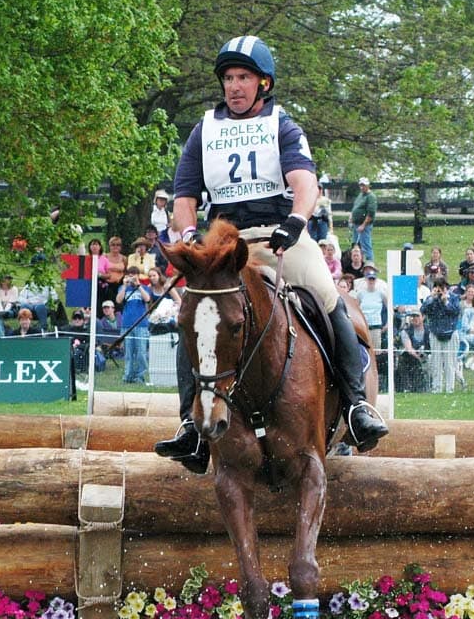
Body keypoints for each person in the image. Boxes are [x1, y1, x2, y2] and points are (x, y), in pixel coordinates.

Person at [154, 35, 387, 472]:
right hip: (226, 243)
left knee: (326, 294)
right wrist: (188, 233)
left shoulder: (282, 125)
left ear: (263, 83)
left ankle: (356, 407)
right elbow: (185, 194)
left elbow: (305, 183)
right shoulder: (204, 131)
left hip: (280, 235)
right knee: (197, 314)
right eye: (227, 78)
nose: (234, 86)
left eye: (243, 77)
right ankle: (191, 424)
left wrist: (297, 220)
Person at [420, 276, 460, 393]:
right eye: (437, 286)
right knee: (436, 362)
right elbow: (423, 310)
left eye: (441, 287)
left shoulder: (453, 297)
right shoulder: (431, 299)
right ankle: (436, 388)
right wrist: (432, 299)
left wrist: (445, 301)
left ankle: (450, 389)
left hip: (450, 333)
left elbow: (456, 311)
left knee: (449, 363)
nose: (439, 289)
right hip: (435, 332)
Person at [117, 266, 151, 383]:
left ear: (138, 275)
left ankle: (140, 376)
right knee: (128, 352)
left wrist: (138, 285)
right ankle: (128, 376)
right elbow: (118, 300)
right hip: (127, 324)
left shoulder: (145, 288)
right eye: (129, 274)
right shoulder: (124, 288)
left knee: (141, 352)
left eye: (134, 275)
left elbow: (147, 299)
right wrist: (125, 286)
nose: (132, 277)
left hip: (141, 324)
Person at [396, 309, 430, 392]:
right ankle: (407, 387)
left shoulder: (429, 330)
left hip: (429, 356)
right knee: (404, 358)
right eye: (412, 316)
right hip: (413, 356)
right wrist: (419, 358)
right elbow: (409, 348)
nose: (414, 318)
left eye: (417, 316)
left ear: (423, 317)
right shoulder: (405, 331)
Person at [353, 269, 387, 350]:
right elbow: (355, 310)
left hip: (376, 326)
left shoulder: (381, 293)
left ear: (376, 280)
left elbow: (390, 309)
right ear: (366, 280)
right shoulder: (360, 293)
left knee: (376, 350)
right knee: (364, 349)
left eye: (373, 279)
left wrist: (387, 324)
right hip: (364, 326)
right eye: (369, 279)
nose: (371, 281)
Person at [348, 177, 377, 261]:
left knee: (366, 245)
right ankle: (359, 262)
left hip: (364, 225)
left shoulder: (371, 197)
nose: (361, 187)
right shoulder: (360, 195)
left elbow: (370, 213)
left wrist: (363, 225)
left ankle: (370, 263)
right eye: (360, 185)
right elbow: (355, 207)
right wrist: (351, 216)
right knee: (356, 245)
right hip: (356, 224)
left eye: (363, 185)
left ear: (368, 185)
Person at [147, 267, 180, 333]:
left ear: (159, 275)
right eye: (150, 276)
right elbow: (149, 304)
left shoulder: (167, 286)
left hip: (170, 315)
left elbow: (179, 301)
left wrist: (172, 310)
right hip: (157, 317)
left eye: (154, 275)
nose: (152, 278)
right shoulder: (150, 288)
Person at [104, 236, 126, 305]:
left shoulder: (124, 258)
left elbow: (126, 271)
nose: (115, 247)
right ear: (109, 246)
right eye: (113, 245)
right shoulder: (105, 257)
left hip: (120, 285)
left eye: (118, 245)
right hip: (107, 285)